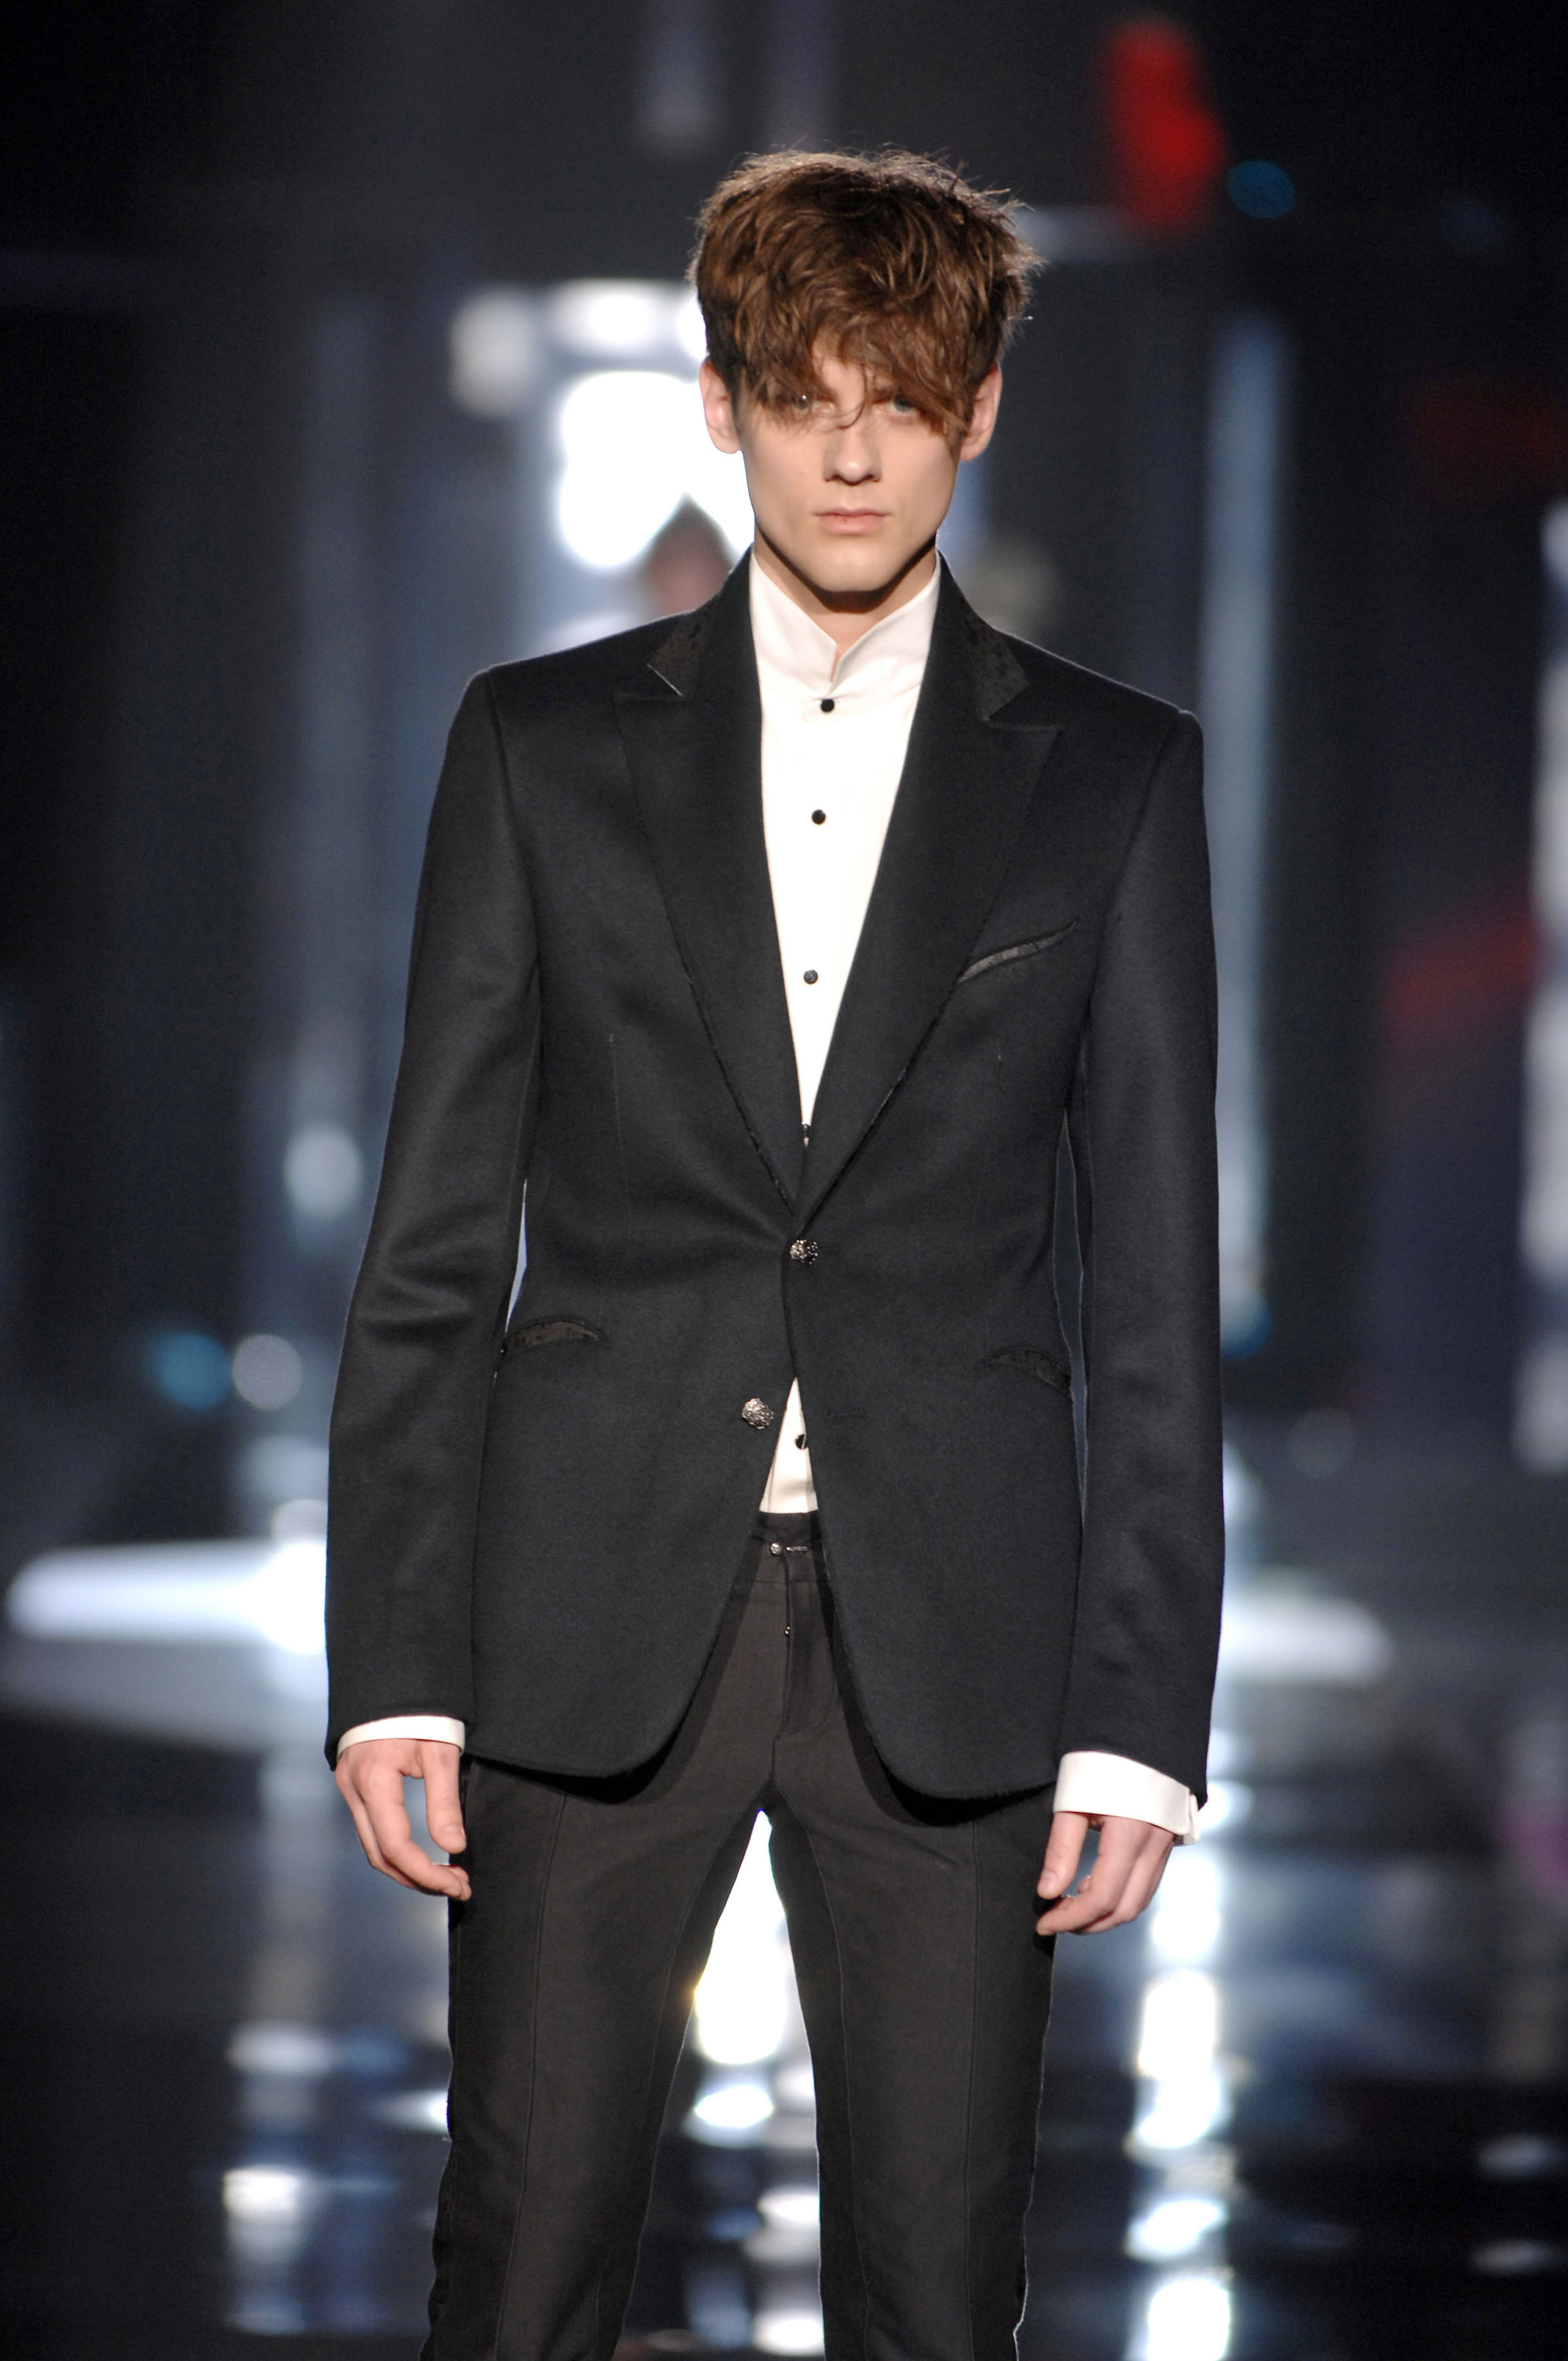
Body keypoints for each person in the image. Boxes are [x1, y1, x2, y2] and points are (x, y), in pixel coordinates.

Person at [327, 148, 1223, 2361]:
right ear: (720, 404)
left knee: (938, 2287)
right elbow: (435, 1230)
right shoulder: (541, 748)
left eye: (900, 401)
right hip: (587, 1594)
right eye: (805, 398)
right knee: (522, 2259)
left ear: (978, 410)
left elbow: (1152, 1277)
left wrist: (1140, 1714)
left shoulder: (1111, 776)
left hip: (960, 1631)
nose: (851, 454)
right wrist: (396, 1655)